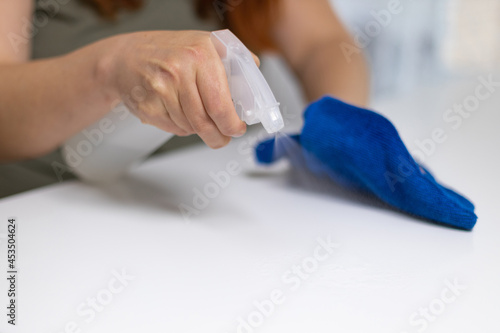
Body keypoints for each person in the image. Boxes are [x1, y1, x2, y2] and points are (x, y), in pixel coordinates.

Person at [0, 0, 369, 197]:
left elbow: (322, 45)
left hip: (192, 200)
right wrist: (110, 69)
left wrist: (339, 126)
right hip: (46, 210)